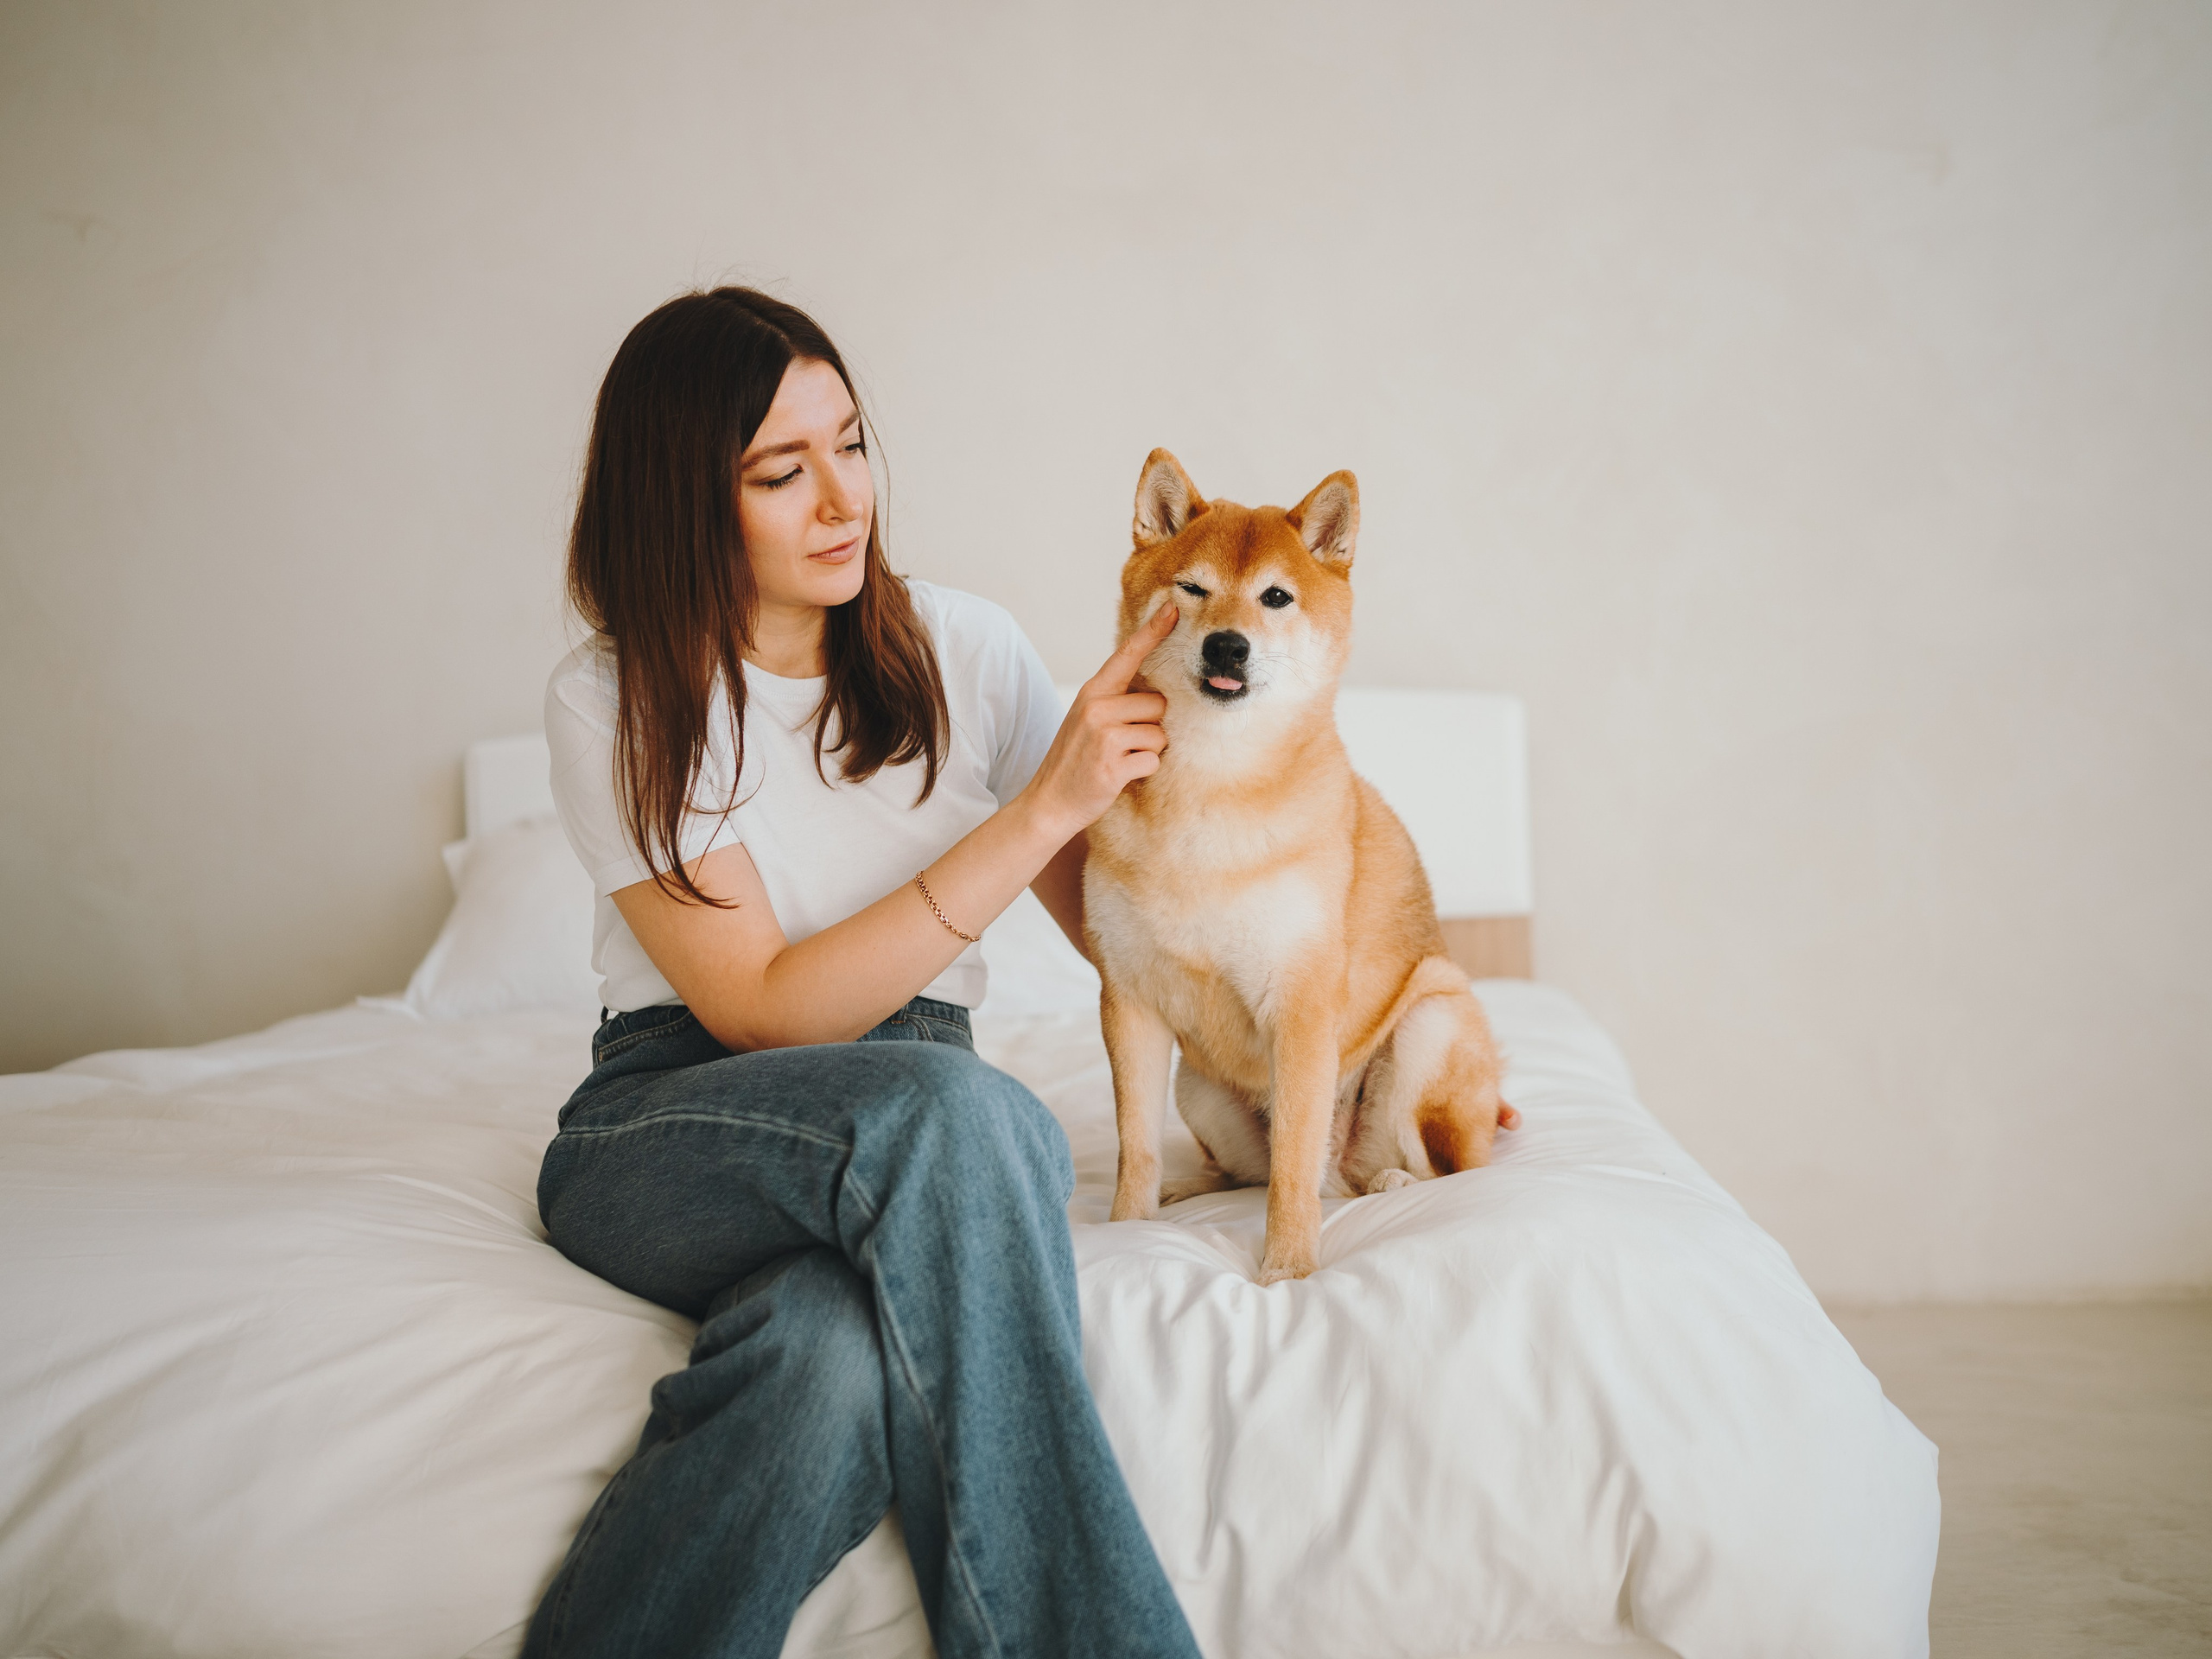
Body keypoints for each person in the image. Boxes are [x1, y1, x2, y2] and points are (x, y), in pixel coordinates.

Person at [527, 285, 1198, 1659]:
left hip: (914, 1127)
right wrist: (1033, 812)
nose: (844, 500)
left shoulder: (965, 649)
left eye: (851, 444)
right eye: (783, 471)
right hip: (673, 1122)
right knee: (970, 1119)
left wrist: (1352, 1064)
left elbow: (1134, 934)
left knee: (829, 1360)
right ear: (681, 502)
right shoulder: (611, 697)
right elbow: (762, 1008)